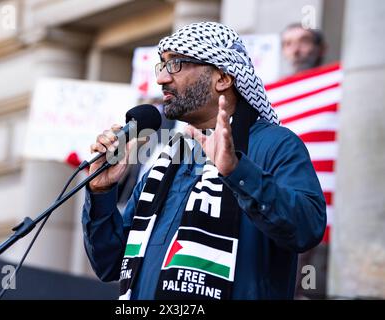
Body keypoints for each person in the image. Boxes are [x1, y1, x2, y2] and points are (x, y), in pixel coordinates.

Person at [82, 22, 326, 300]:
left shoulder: (275, 145)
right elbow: (109, 263)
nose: (162, 79)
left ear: (222, 77)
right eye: (162, 66)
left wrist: (237, 171)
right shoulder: (166, 163)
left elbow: (307, 228)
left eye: (177, 64)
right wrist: (101, 193)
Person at [281, 23, 329, 299]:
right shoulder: (273, 92)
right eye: (288, 43)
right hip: (284, 195)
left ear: (320, 48)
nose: (296, 50)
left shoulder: (340, 85)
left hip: (322, 199)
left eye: (303, 41)